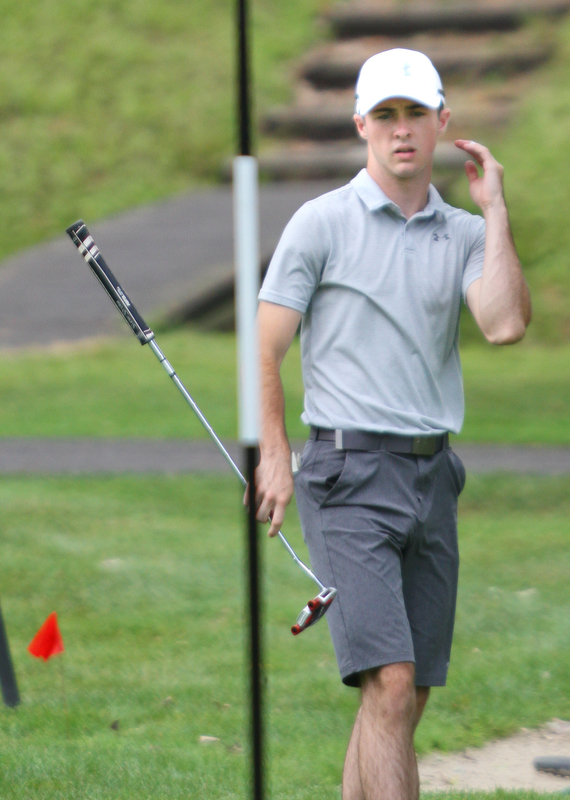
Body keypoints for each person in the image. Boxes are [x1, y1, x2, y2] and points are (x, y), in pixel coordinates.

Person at [254, 48, 531, 800]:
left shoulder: (464, 233)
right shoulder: (322, 223)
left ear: (442, 122)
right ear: (360, 125)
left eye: (415, 114)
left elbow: (505, 323)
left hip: (433, 475)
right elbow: (267, 340)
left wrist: (495, 208)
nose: (401, 131)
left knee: (408, 696)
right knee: (391, 683)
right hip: (346, 475)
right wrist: (274, 456)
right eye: (386, 116)